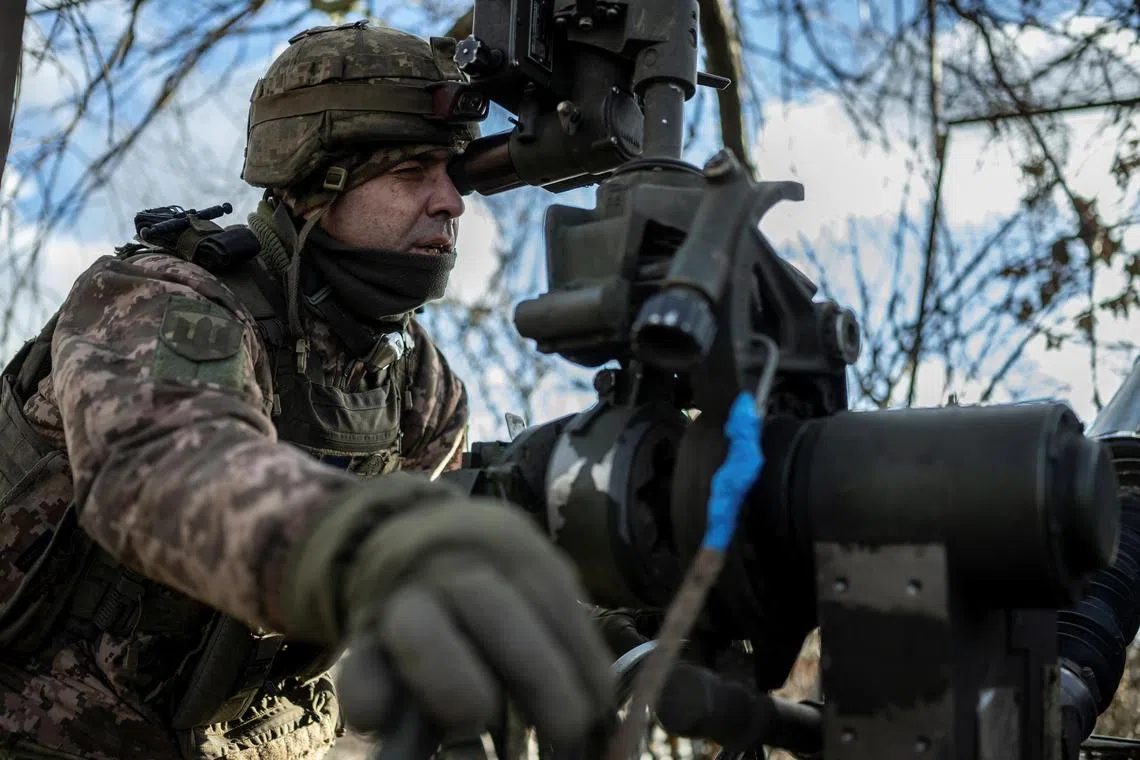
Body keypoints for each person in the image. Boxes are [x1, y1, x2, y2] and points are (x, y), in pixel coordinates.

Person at [0, 20, 613, 760]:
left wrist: (599, 627)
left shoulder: (418, 385)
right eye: (412, 172)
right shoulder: (162, 296)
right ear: (319, 183)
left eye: (453, 173)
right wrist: (373, 550)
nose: (451, 202)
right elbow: (167, 470)